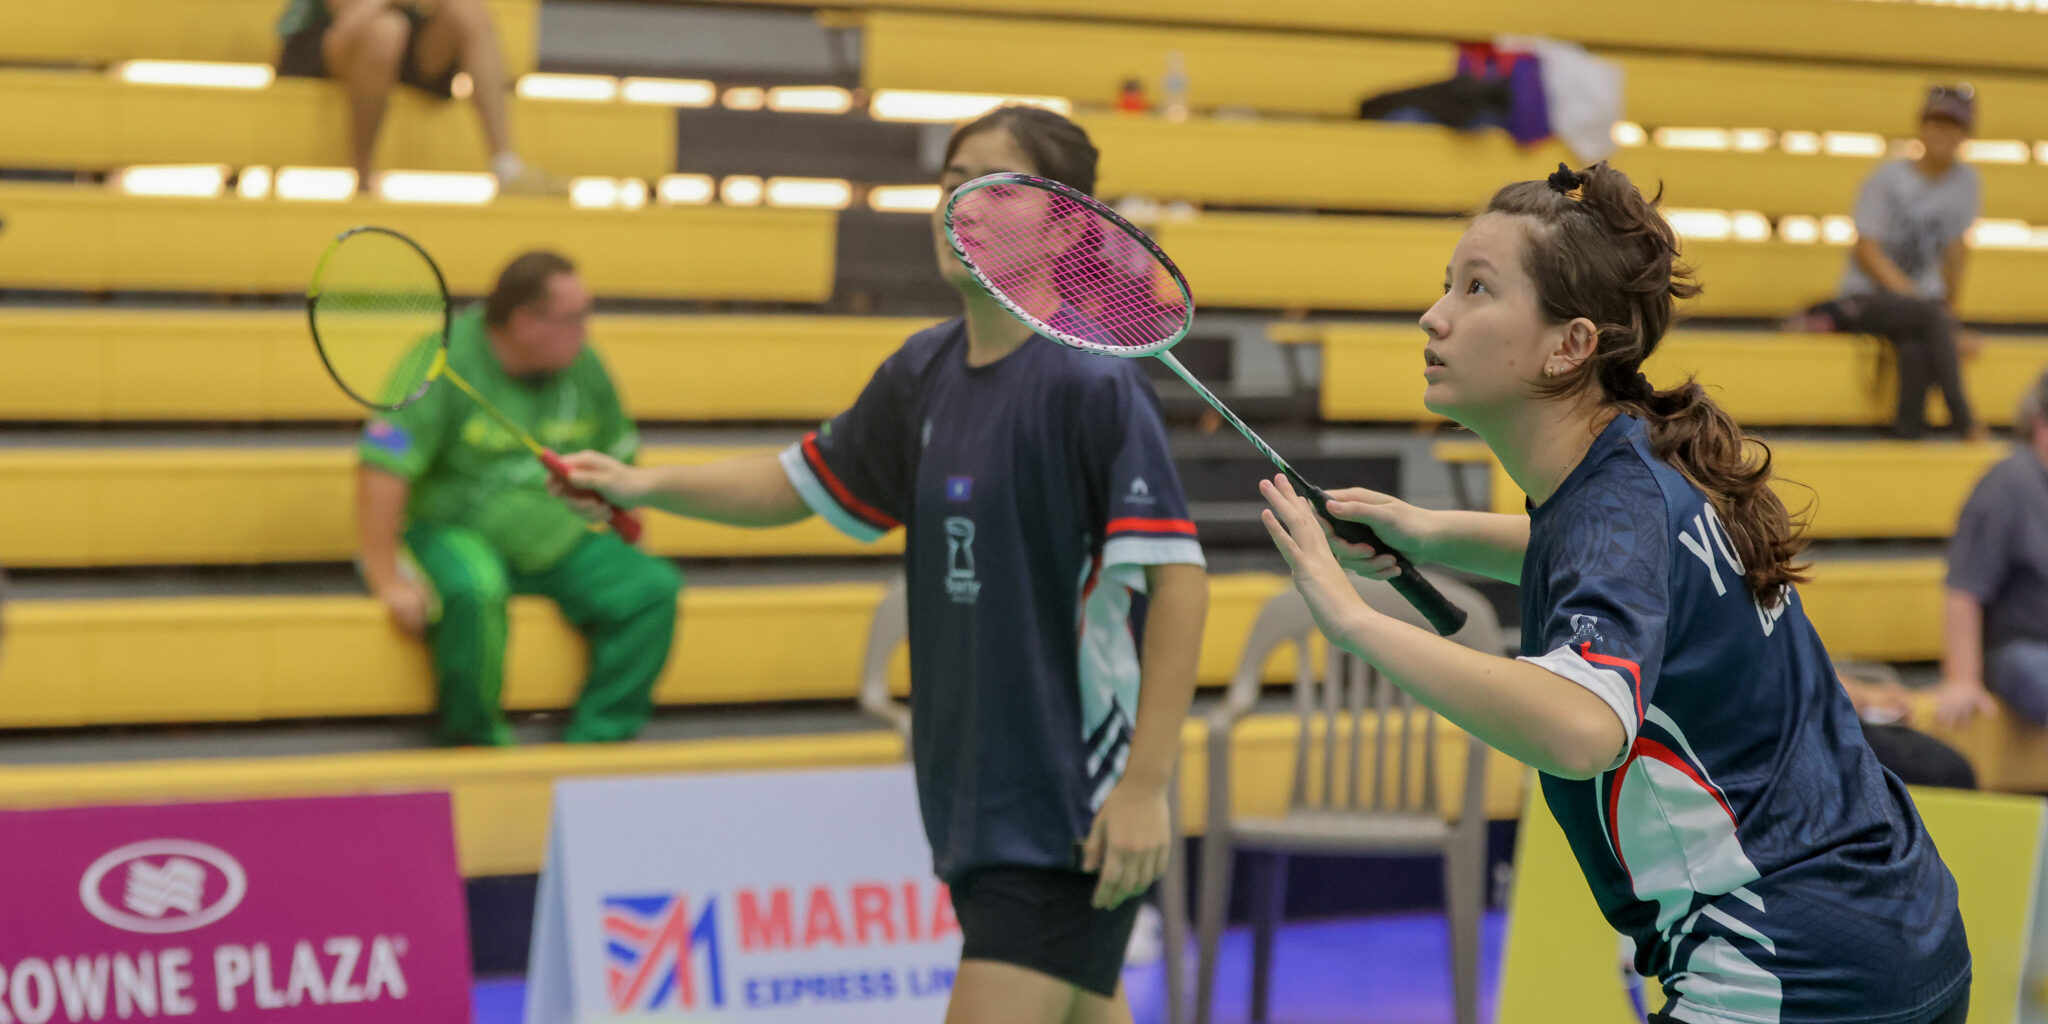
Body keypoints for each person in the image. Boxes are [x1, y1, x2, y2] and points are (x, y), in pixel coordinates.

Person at [1258, 162, 1970, 1022]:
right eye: (1446, 284)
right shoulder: (1638, 464)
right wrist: (1427, 531)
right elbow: (1602, 558)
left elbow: (1583, 727)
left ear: (1573, 344)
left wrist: (1351, 621)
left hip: (1787, 968)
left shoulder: (1610, 511)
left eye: (1478, 289)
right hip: (1903, 930)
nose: (1434, 314)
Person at [554, 106, 1210, 1024]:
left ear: (1067, 223)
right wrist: (641, 482)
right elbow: (794, 484)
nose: (960, 206)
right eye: (949, 183)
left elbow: (1179, 578)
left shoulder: (1090, 382)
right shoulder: (922, 374)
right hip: (972, 801)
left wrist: (1144, 786)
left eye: (993, 187)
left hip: (1070, 808)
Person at [357, 250, 680, 746]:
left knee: (651, 588)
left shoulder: (584, 366)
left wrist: (631, 538)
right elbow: (384, 468)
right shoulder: (438, 361)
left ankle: (598, 742)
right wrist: (385, 577)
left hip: (556, 533)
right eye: (573, 318)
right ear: (525, 321)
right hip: (453, 528)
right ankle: (477, 744)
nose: (585, 331)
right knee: (475, 591)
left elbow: (624, 467)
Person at [1787, 85, 1985, 440]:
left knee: (1916, 341)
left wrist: (1947, 312)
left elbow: (1956, 254)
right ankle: (1963, 418)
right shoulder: (1887, 179)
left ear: (1965, 134)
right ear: (1921, 127)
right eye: (1935, 122)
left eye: (1952, 125)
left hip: (1921, 310)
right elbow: (1866, 251)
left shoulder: (1966, 182)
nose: (1942, 132)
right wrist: (1933, 313)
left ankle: (1907, 429)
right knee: (1927, 319)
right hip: (1867, 297)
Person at [274, 0, 557, 193]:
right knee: (386, 31)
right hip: (329, 41)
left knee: (469, 10)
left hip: (402, 38)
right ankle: (361, 176)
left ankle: (505, 166)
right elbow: (350, 22)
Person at [1934, 368, 2048, 728]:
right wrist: (1962, 680)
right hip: (2023, 649)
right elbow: (1964, 589)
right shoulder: (2008, 484)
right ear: (2041, 424)